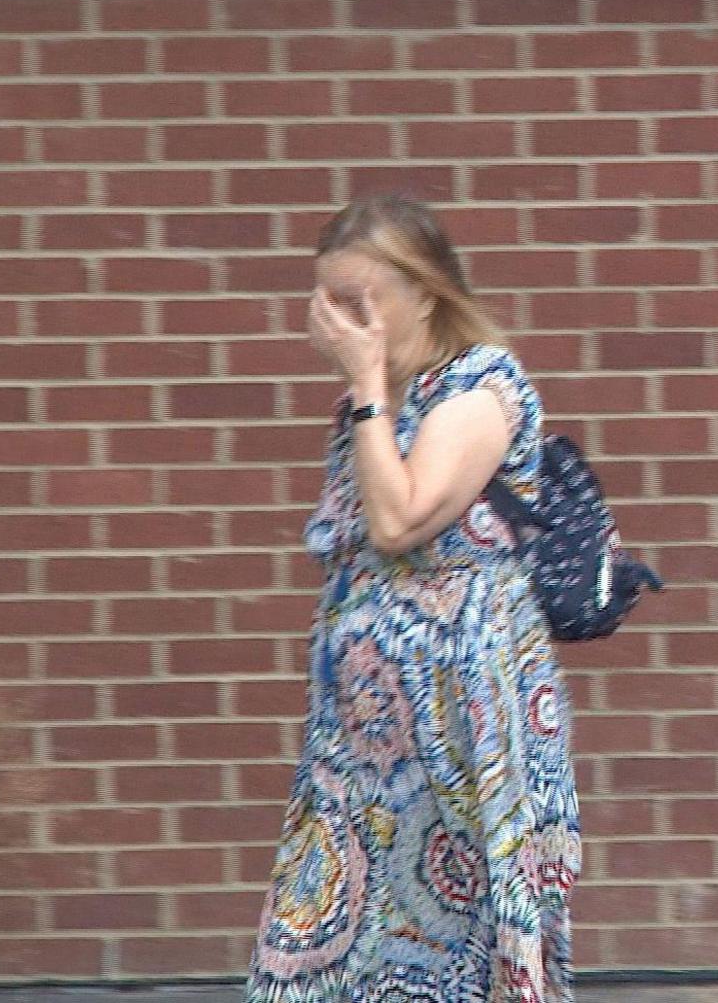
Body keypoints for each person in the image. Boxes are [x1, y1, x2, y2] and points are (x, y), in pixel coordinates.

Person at [246, 194, 578, 1002]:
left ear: (424, 292)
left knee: (449, 946)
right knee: (319, 939)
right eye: (328, 301)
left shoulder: (479, 389)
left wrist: (365, 387)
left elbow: (398, 522)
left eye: (362, 302)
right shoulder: (380, 404)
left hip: (461, 733)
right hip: (362, 745)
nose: (341, 323)